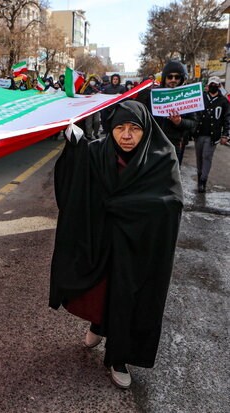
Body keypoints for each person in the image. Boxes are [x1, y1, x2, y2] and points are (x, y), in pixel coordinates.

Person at [51, 100, 183, 390]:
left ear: (145, 130)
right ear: (110, 129)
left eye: (134, 128)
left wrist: (130, 207)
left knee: (129, 297)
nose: (126, 135)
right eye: (119, 128)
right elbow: (77, 180)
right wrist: (75, 146)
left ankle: (119, 358)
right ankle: (98, 325)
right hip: (103, 238)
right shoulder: (98, 151)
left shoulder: (162, 157)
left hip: (139, 246)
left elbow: (171, 201)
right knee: (101, 289)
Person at [136, 60, 197, 163]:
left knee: (171, 177)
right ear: (165, 77)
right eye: (170, 77)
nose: (173, 80)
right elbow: (139, 112)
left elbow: (193, 123)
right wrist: (144, 93)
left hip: (174, 145)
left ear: (181, 79)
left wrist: (180, 122)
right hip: (152, 143)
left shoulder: (187, 97)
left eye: (177, 77)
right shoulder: (153, 94)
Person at [194, 76, 230, 193]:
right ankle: (199, 178)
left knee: (207, 157)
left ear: (219, 86)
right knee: (199, 158)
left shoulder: (223, 101)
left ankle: (203, 181)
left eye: (216, 84)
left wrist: (225, 135)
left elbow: (227, 118)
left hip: (212, 136)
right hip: (199, 134)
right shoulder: (201, 97)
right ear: (208, 85)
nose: (213, 86)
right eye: (211, 84)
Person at [80, 75, 102, 140]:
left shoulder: (98, 88)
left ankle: (95, 133)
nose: (92, 82)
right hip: (88, 108)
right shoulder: (85, 88)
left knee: (97, 121)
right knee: (88, 122)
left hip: (96, 107)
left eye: (93, 81)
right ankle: (89, 135)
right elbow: (83, 95)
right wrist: (90, 95)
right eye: (91, 80)